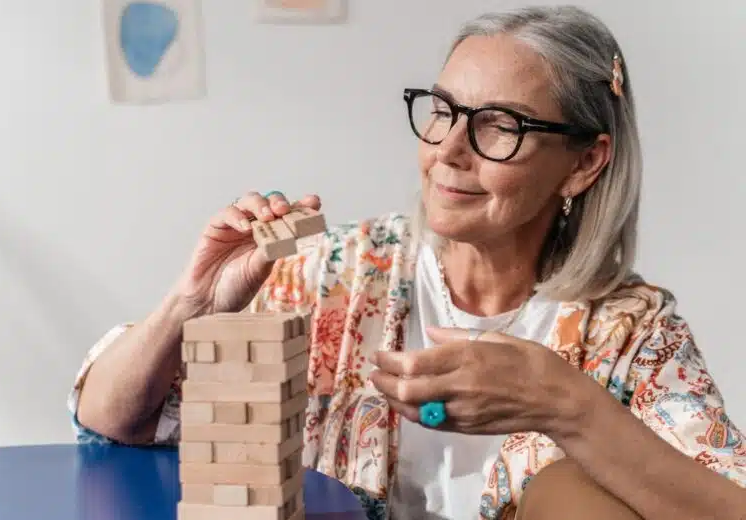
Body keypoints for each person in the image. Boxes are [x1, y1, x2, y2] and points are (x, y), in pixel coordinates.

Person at [68, 5, 746, 520]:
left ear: (585, 162)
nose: (450, 149)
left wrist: (567, 407)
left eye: (500, 126)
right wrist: (192, 303)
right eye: (444, 111)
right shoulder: (335, 274)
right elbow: (112, 417)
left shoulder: (631, 331)